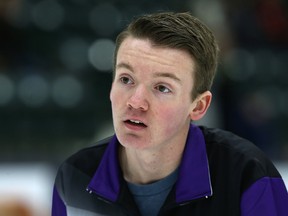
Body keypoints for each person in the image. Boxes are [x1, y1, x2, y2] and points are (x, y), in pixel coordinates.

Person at [52, 12, 288, 216]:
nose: (136, 102)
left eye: (162, 88)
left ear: (198, 106)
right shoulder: (74, 176)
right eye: (126, 79)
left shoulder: (248, 176)